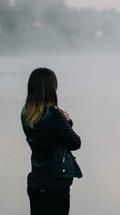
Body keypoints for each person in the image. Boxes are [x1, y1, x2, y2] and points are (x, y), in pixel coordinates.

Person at [21, 68, 82, 215]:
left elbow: (46, 138)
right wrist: (67, 121)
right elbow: (75, 143)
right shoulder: (53, 115)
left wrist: (64, 122)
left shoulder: (26, 113)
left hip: (36, 182)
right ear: (50, 88)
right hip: (56, 185)